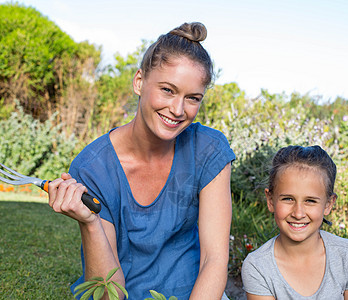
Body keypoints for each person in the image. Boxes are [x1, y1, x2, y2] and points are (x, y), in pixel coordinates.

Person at [47, 22, 235, 300]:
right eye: (168, 90)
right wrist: (90, 223)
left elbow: (214, 260)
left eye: (193, 98)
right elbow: (110, 294)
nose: (178, 110)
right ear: (139, 82)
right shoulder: (92, 168)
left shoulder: (208, 149)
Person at [241, 145, 348, 299]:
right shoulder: (258, 267)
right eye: (288, 199)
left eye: (310, 201)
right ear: (270, 200)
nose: (298, 213)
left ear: (329, 204)